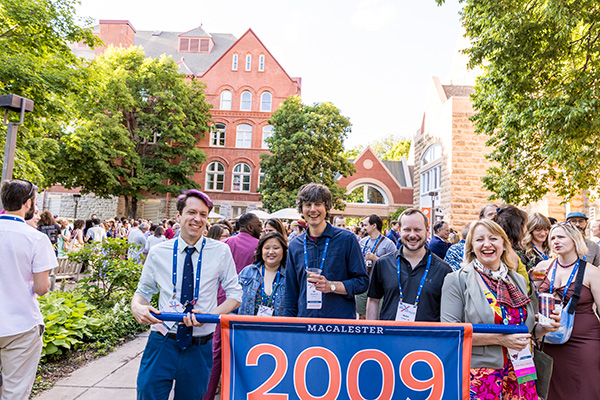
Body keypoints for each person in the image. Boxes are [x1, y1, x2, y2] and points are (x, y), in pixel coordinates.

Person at [131, 189, 241, 400]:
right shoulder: (159, 252)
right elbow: (143, 292)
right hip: (162, 342)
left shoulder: (221, 251)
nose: (197, 219)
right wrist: (137, 306)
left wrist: (208, 316)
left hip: (199, 346)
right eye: (191, 212)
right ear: (179, 215)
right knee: (147, 394)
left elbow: (235, 295)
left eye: (203, 214)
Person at [441, 219, 559, 399]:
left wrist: (545, 327)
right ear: (471, 247)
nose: (487, 244)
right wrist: (501, 340)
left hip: (522, 372)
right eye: (479, 239)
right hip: (482, 376)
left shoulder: (517, 280)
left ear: (504, 245)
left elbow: (526, 330)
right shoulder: (457, 280)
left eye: (493, 238)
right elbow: (451, 334)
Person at [0, 179, 57, 400]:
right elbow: (42, 288)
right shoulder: (35, 238)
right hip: (20, 324)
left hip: (18, 324)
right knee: (15, 392)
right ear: (27, 203)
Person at [533, 222, 600, 399]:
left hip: (584, 341)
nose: (556, 241)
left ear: (574, 239)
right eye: (553, 238)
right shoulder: (543, 267)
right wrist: (532, 283)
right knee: (551, 389)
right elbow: (532, 299)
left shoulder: (592, 272)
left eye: (561, 237)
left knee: (585, 388)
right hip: (549, 340)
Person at [283, 183, 369, 319]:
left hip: (338, 323)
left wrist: (332, 286)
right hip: (305, 322)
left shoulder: (347, 239)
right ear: (302, 209)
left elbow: (362, 282)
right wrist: (288, 326)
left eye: (318, 204)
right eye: (308, 205)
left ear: (326, 207)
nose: (313, 209)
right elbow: (290, 294)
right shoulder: (295, 245)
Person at [205, 212, 262, 400]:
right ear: (251, 227)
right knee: (247, 350)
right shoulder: (259, 246)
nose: (261, 229)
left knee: (217, 350)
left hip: (223, 300)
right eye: (259, 225)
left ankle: (208, 393)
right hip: (250, 305)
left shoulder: (227, 244)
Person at [367, 208, 452, 322]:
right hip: (390, 333)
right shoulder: (383, 264)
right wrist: (372, 330)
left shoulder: (444, 270)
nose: (412, 235)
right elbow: (373, 300)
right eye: (407, 229)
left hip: (426, 334)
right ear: (399, 230)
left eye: (417, 230)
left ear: (427, 230)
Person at [237, 232, 287, 316]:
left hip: (279, 324)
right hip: (248, 324)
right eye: (267, 248)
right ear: (261, 250)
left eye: (276, 248)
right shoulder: (247, 272)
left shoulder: (289, 275)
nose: (271, 252)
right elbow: (234, 303)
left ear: (283, 250)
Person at [357, 214, 396, 318]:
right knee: (361, 316)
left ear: (374, 225)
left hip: (379, 286)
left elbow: (394, 266)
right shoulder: (363, 241)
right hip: (363, 283)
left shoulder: (389, 244)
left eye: (365, 225)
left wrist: (376, 259)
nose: (363, 228)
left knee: (376, 317)